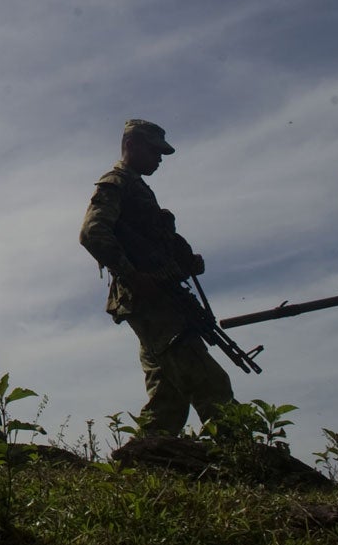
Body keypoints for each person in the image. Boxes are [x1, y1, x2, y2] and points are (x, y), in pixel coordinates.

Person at [79, 119, 234, 435]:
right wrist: (133, 276)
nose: (159, 159)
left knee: (168, 398)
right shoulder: (116, 183)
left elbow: (149, 239)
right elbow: (92, 233)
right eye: (154, 151)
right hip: (149, 300)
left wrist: (184, 261)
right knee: (209, 381)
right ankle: (242, 457)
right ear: (132, 145)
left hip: (160, 297)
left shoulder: (136, 187)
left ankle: (147, 458)